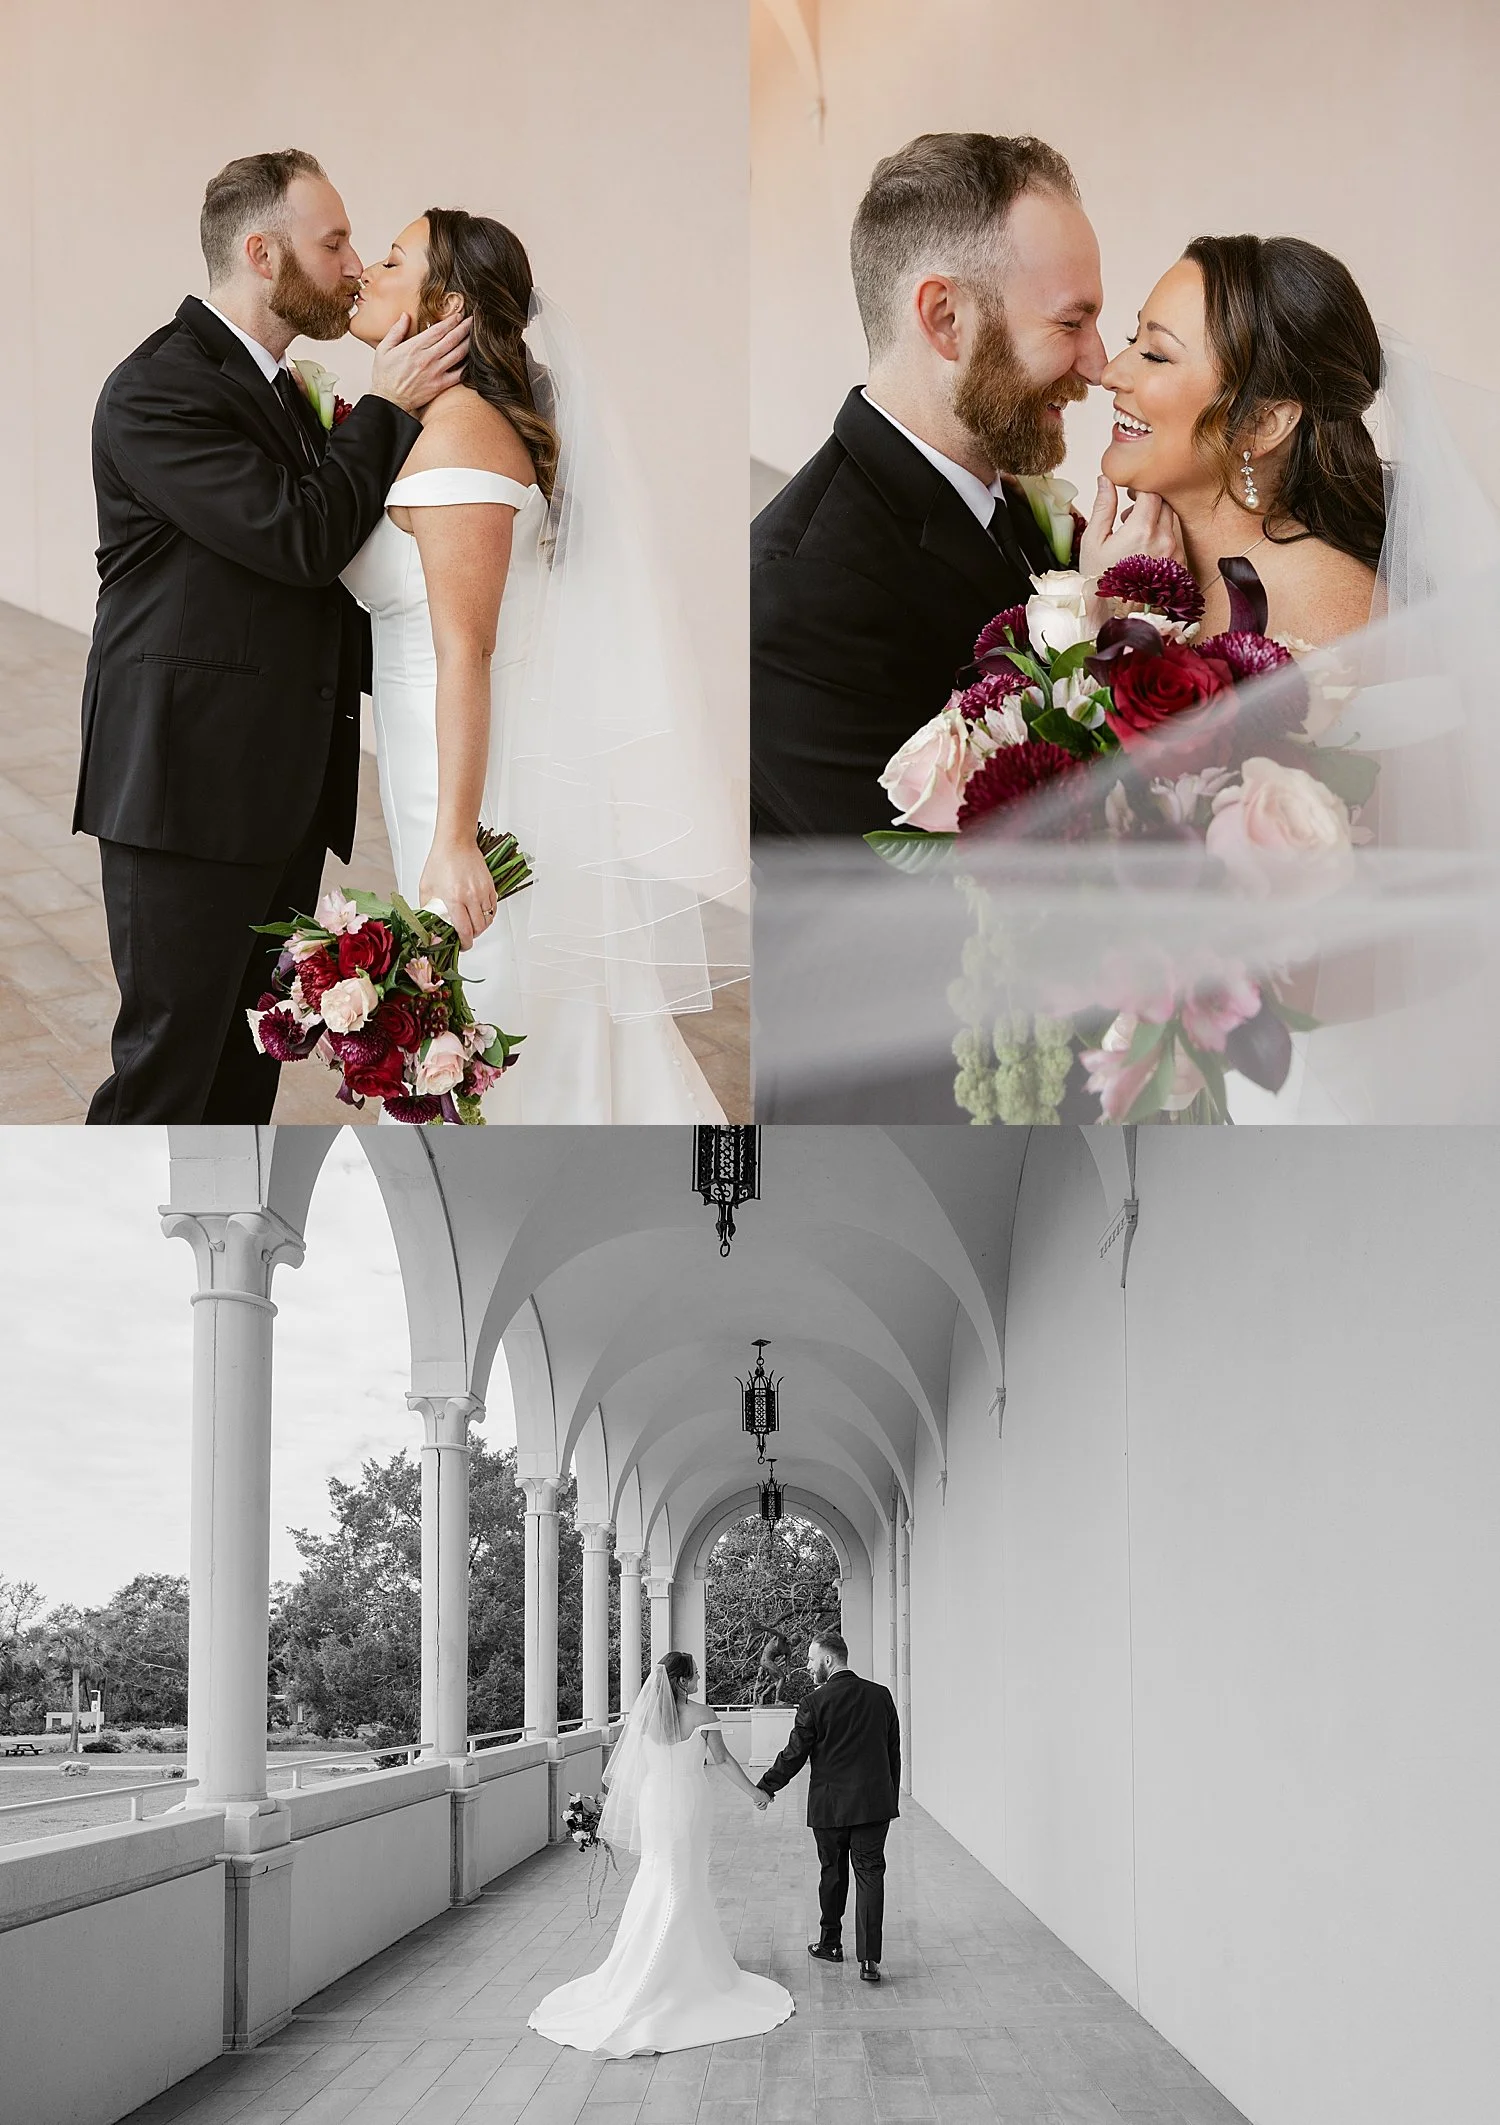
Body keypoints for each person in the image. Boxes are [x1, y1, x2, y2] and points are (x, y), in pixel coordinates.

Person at [76, 148, 470, 1123]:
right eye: (332, 241)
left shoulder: (286, 391)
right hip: (184, 795)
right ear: (262, 252)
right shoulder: (158, 391)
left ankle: (224, 1261)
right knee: (166, 1077)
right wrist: (385, 408)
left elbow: (319, 594)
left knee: (244, 1073)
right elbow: (299, 540)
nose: (348, 266)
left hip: (275, 795)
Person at [341, 210, 742, 1122]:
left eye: (392, 259)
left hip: (478, 793)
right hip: (438, 774)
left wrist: (455, 836)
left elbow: (466, 651)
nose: (366, 267)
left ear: (444, 305)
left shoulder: (459, 441)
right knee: (495, 1017)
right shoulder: (435, 426)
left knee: (514, 1023)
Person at [750, 130, 1176, 842]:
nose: (1100, 365)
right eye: (1071, 322)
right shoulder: (798, 592)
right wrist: (1095, 634)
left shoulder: (1016, 501)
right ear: (946, 319)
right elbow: (918, 905)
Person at [528, 1652, 793, 2054]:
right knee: (682, 1880)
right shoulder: (701, 1714)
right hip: (687, 1800)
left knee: (659, 1875)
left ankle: (645, 1960)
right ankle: (672, 1968)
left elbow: (633, 1770)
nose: (700, 1677)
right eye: (696, 1673)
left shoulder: (644, 1717)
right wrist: (756, 1793)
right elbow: (721, 1760)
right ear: (683, 1681)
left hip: (655, 1802)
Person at [755, 1629, 901, 1985]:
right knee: (870, 1877)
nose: (806, 1666)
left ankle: (831, 1944)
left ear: (828, 1660)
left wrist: (764, 1788)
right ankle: (869, 1961)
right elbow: (893, 1752)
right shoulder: (880, 1696)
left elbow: (794, 1755)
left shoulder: (814, 1703)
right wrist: (888, 1797)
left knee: (832, 1875)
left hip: (830, 1807)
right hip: (873, 1806)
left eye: (809, 1659)